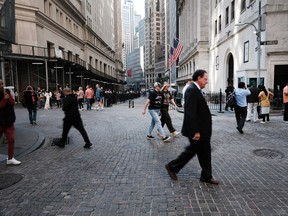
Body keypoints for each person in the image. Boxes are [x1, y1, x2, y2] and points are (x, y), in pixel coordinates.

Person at [165, 70, 219, 184]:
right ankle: (172, 167)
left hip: (202, 130)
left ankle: (206, 176)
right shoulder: (192, 90)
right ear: (199, 78)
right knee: (192, 151)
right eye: (205, 78)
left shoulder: (196, 90)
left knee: (205, 153)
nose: (207, 81)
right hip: (197, 130)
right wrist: (196, 131)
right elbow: (190, 112)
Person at [0, 79, 21, 165]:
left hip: (9, 121)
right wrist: (4, 99)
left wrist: (9, 97)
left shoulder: (7, 92)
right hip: (0, 121)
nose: (1, 85)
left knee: (11, 139)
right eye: (0, 84)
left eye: (2, 83)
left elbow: (12, 103)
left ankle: (10, 158)